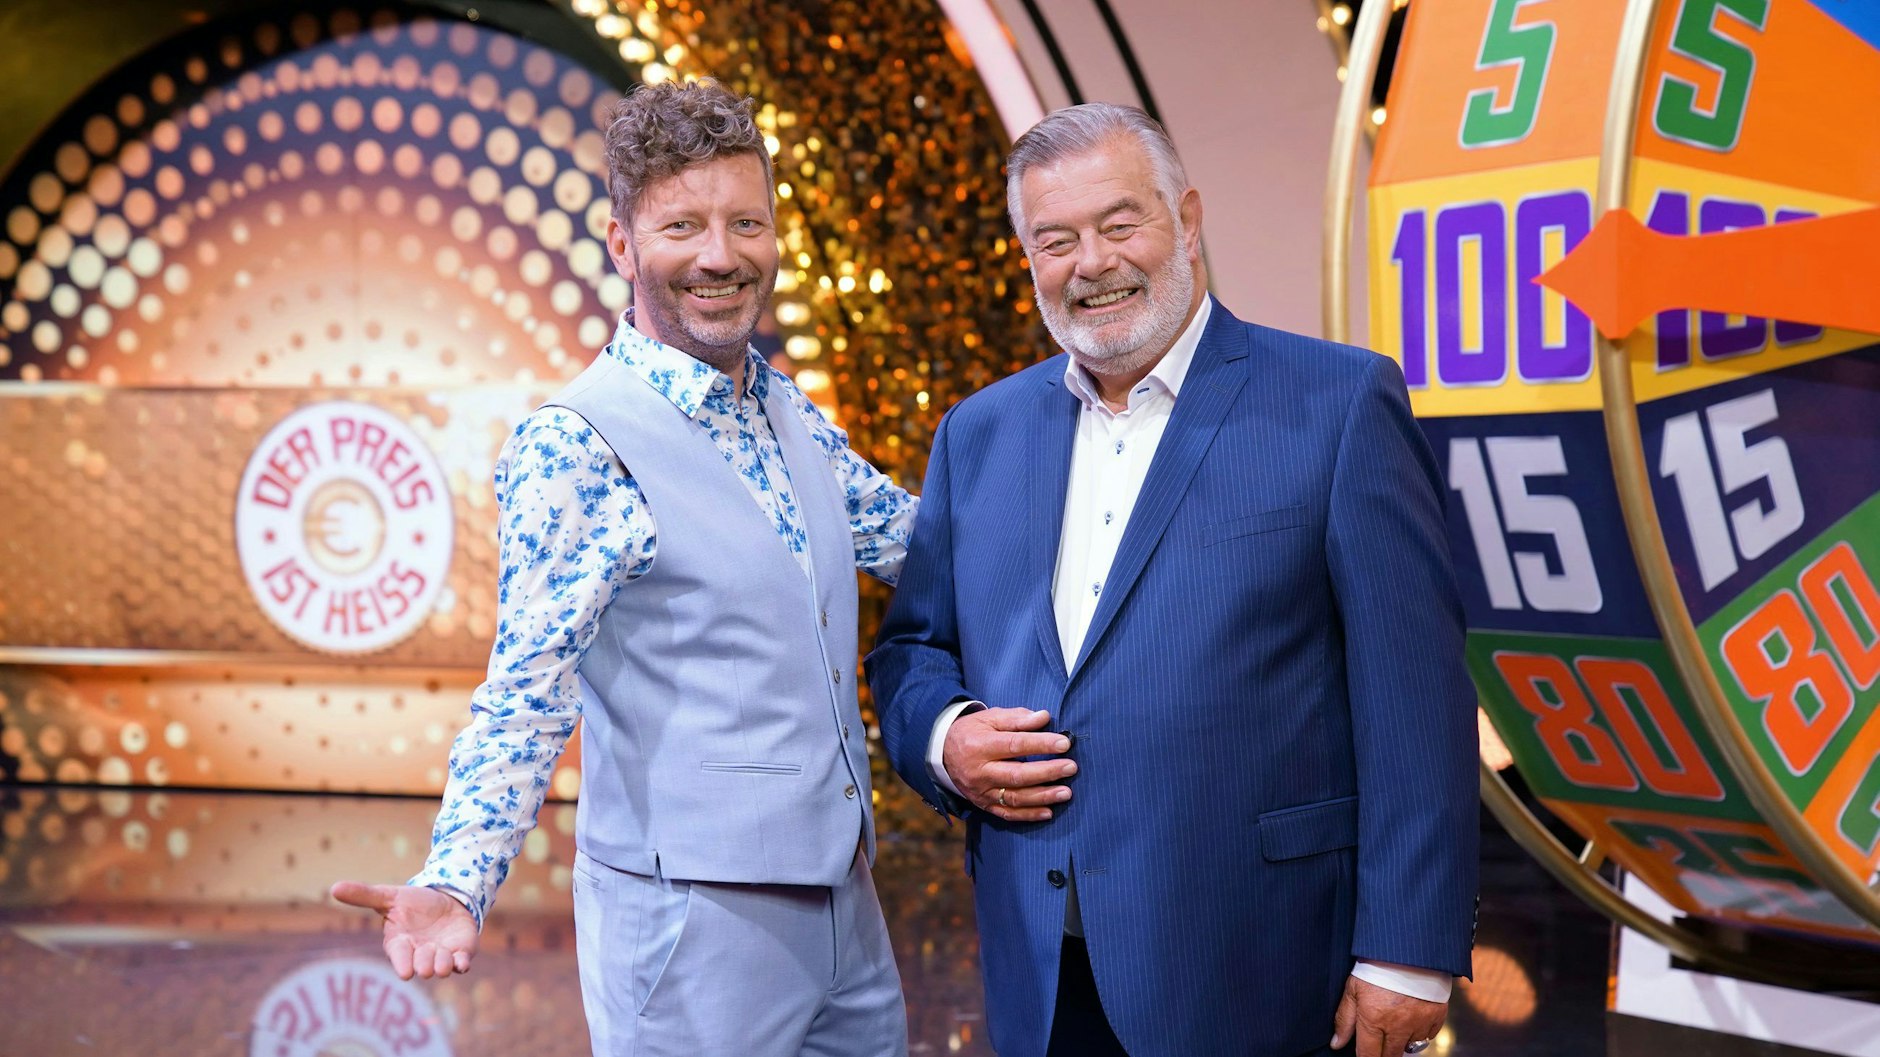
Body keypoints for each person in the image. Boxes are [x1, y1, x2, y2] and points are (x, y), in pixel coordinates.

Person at [866, 103, 1477, 1057]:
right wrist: (946, 737)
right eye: (1055, 240)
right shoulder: (977, 432)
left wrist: (1409, 948)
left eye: (1120, 224)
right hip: (1041, 966)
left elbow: (1416, 691)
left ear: (1186, 220)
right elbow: (912, 648)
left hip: (1261, 964)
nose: (1092, 263)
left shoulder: (1338, 402)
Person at [331, 80, 915, 1057]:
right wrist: (457, 877)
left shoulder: (784, 408)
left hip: (844, 902)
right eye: (683, 226)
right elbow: (527, 690)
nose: (720, 255)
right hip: (692, 923)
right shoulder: (576, 443)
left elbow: (913, 542)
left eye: (745, 223)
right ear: (621, 245)